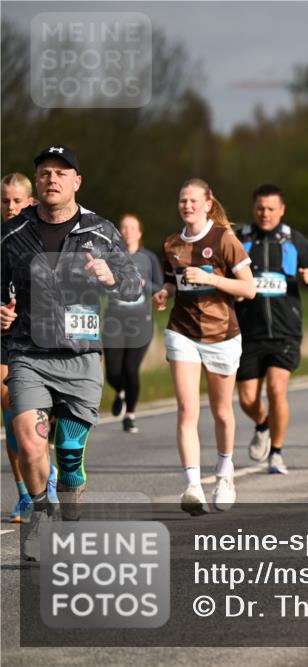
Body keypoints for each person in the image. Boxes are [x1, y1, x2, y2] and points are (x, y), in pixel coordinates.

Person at [1, 146, 142, 559]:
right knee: (30, 445)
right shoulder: (12, 233)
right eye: (45, 173)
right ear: (37, 181)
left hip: (81, 357)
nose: (52, 179)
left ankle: (69, 521)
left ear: (77, 182)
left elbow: (134, 286)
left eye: (61, 173)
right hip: (27, 355)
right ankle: (40, 515)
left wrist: (111, 276)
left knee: (68, 457)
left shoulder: (100, 231)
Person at [152, 179, 255, 515]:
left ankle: (225, 474)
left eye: (194, 200)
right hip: (182, 331)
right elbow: (173, 281)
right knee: (186, 409)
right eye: (183, 200)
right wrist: (165, 292)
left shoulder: (224, 239)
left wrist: (211, 279)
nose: (188, 206)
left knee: (222, 412)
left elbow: (249, 289)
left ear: (208, 204)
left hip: (221, 334)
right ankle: (193, 486)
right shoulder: (171, 243)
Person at [234, 184, 308, 475]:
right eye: (260, 208)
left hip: (285, 333)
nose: (265, 214)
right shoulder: (240, 239)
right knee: (247, 399)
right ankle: (262, 425)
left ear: (282, 210)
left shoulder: (294, 241)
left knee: (276, 389)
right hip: (247, 333)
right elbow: (222, 274)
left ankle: (276, 453)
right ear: (254, 209)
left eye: (271, 209)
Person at [1, 172, 43, 523]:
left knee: (27, 420)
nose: (11, 207)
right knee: (11, 414)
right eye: (5, 201)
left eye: (17, 200)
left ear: (31, 201)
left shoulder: (42, 239)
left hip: (36, 338)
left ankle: (45, 475)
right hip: (4, 339)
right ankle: (25, 493)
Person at [103, 214, 162, 434]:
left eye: (132, 227)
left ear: (139, 232)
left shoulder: (149, 258)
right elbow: (99, 285)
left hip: (140, 322)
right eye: (124, 228)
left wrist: (144, 283)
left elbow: (159, 288)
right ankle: (120, 390)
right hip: (114, 320)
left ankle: (130, 415)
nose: (127, 232)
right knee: (112, 371)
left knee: (131, 368)